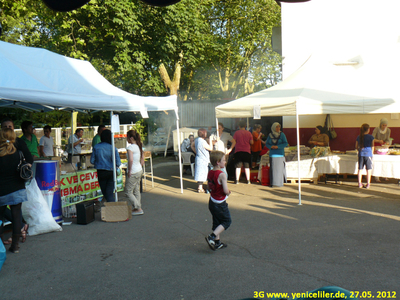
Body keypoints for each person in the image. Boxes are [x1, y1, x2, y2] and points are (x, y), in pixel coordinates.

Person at [0, 128, 29, 253]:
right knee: (17, 217)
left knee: (0, 219)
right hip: (18, 189)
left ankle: (1, 244)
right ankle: (15, 246)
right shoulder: (19, 153)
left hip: (1, 190)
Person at [205, 151, 231, 251]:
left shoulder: (210, 172)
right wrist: (228, 192)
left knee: (217, 221)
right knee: (226, 221)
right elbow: (225, 190)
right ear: (218, 162)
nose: (225, 162)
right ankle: (212, 236)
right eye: (223, 160)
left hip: (212, 201)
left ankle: (217, 242)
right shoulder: (222, 174)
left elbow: (208, 186)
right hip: (220, 203)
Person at [90, 129, 121, 202]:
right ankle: (113, 209)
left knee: (105, 193)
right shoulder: (113, 148)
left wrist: (98, 163)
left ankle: (111, 209)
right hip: (111, 172)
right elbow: (118, 163)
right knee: (109, 193)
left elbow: (92, 161)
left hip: (101, 172)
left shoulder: (96, 147)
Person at [124, 129, 145, 216]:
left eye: (127, 137)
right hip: (139, 170)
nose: (127, 139)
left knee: (128, 191)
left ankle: (138, 207)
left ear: (131, 138)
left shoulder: (131, 147)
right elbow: (142, 160)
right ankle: (136, 208)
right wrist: (139, 166)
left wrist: (129, 171)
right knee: (136, 190)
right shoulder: (139, 146)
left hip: (133, 171)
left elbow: (131, 160)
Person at [265, 122, 288, 187]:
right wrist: (271, 147)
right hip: (272, 155)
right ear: (273, 128)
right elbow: (267, 144)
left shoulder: (282, 134)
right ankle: (273, 183)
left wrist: (278, 147)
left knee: (279, 170)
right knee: (273, 170)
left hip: (280, 155)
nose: (278, 128)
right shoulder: (270, 135)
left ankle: (279, 183)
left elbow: (285, 143)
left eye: (279, 127)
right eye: (276, 127)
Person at [191, 128, 213, 193]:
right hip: (203, 159)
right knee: (203, 173)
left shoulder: (197, 140)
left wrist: (197, 152)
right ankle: (201, 188)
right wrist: (210, 140)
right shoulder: (202, 141)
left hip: (198, 158)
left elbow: (192, 145)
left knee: (199, 173)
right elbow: (211, 148)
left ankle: (200, 187)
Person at [232, 120, 253, 184]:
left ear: (239, 126)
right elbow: (252, 142)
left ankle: (237, 180)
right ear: (245, 126)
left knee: (238, 166)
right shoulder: (249, 133)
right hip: (247, 151)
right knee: (247, 166)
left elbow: (233, 141)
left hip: (238, 151)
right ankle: (248, 180)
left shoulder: (236, 133)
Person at [356, 123, 376, 189]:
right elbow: (373, 146)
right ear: (368, 130)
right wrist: (371, 153)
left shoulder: (359, 137)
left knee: (360, 169)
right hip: (368, 154)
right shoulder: (371, 137)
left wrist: (359, 150)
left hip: (361, 154)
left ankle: (359, 183)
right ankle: (368, 184)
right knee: (369, 170)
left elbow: (356, 146)